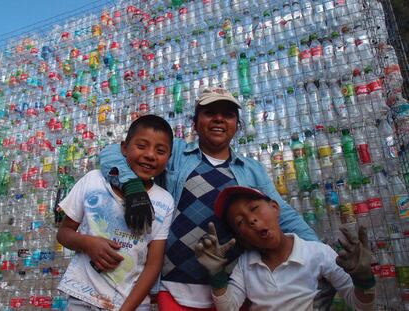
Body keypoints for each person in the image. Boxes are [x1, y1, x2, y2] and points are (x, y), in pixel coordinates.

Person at [98, 87, 319, 310]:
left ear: (237, 125)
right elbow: (111, 153)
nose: (219, 119)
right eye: (210, 112)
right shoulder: (176, 154)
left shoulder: (251, 170)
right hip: (173, 287)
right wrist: (132, 185)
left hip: (230, 289)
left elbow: (284, 214)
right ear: (195, 123)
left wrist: (320, 255)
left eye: (228, 114)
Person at [56, 115, 175, 311]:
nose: (150, 155)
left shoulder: (164, 201)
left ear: (168, 158)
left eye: (160, 151)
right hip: (83, 297)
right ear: (124, 148)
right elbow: (64, 233)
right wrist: (88, 243)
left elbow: (154, 264)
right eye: (142, 146)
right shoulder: (93, 181)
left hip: (130, 303)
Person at [195, 185, 376, 311]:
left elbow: (361, 306)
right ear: (241, 238)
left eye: (254, 208)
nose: (251, 219)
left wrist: (363, 279)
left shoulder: (318, 253)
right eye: (240, 222)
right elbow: (229, 307)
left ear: (275, 208)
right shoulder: (245, 264)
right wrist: (217, 275)